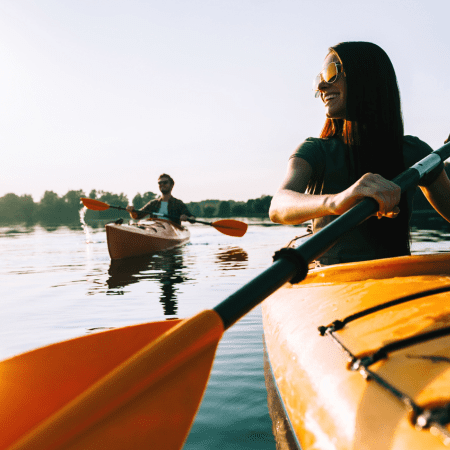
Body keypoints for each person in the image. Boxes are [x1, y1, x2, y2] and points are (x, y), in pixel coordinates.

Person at [269, 41, 450, 265]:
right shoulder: (315, 150)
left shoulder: (415, 154)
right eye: (319, 80)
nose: (321, 87)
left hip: (398, 277)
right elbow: (278, 207)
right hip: (329, 282)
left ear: (366, 77)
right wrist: (337, 202)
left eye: (331, 73)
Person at [126, 174, 195, 225]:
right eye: (160, 183)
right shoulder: (153, 203)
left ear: (172, 185)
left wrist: (187, 217)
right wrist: (131, 211)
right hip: (155, 228)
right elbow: (138, 215)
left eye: (165, 182)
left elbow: (192, 217)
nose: (162, 184)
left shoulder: (178, 203)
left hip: (171, 231)